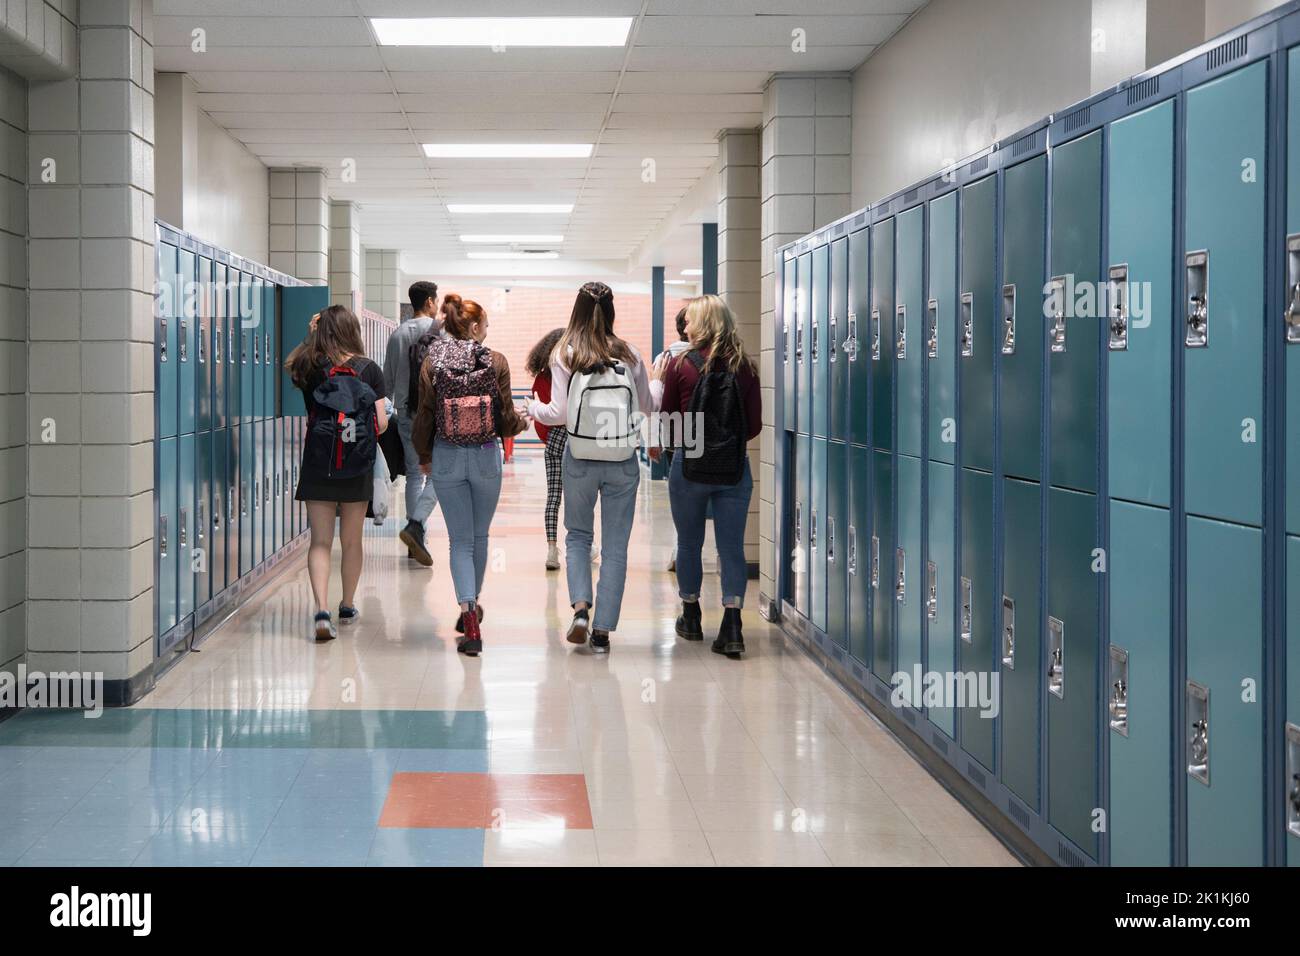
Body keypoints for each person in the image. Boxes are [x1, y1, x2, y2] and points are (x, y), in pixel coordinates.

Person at [529, 282, 655, 654]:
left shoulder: (565, 353)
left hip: (580, 456)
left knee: (579, 536)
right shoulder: (630, 354)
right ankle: (603, 631)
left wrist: (533, 408)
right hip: (621, 459)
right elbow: (646, 408)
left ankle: (581, 609)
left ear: (577, 310)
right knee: (616, 547)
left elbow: (560, 414)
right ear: (612, 310)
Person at [413, 294, 528, 656]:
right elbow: (506, 418)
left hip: (447, 456)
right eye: (487, 325)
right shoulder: (495, 361)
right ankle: (472, 606)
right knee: (479, 537)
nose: (487, 331)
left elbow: (425, 416)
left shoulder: (434, 361)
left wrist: (425, 455)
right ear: (475, 327)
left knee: (459, 541)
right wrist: (521, 423)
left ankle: (468, 614)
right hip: (484, 458)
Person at [658, 294, 762, 659]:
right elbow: (754, 426)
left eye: (690, 320)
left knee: (689, 543)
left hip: (690, 465)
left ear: (702, 324)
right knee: (731, 547)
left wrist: (693, 443)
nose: (684, 326)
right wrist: (725, 442)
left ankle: (691, 615)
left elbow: (669, 417)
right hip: (733, 467)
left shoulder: (681, 365)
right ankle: (732, 624)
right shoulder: (745, 366)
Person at [285, 306, 390, 641]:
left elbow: (291, 364)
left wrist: (310, 335)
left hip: (319, 462)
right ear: (353, 330)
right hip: (356, 465)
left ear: (323, 330)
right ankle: (346, 605)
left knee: (319, 541)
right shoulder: (369, 369)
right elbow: (382, 423)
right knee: (351, 540)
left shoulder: (310, 366)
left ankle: (320, 610)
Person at [382, 280, 442, 566]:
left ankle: (416, 536)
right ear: (429, 301)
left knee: (414, 475)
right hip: (436, 416)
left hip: (406, 414)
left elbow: (387, 382)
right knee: (438, 474)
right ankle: (416, 529)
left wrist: (392, 411)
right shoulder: (441, 332)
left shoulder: (397, 335)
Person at [650, 306, 694, 573]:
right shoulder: (713, 355)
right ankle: (686, 550)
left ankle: (681, 548)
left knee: (680, 496)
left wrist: (653, 439)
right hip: (703, 437)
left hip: (673, 437)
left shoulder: (664, 357)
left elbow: (656, 402)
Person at [525, 328, 567, 571]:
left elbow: (540, 416)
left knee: (553, 497)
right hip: (574, 439)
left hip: (553, 440)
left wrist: (549, 437)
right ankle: (586, 544)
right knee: (577, 498)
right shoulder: (574, 374)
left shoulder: (541, 377)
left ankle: (552, 548)